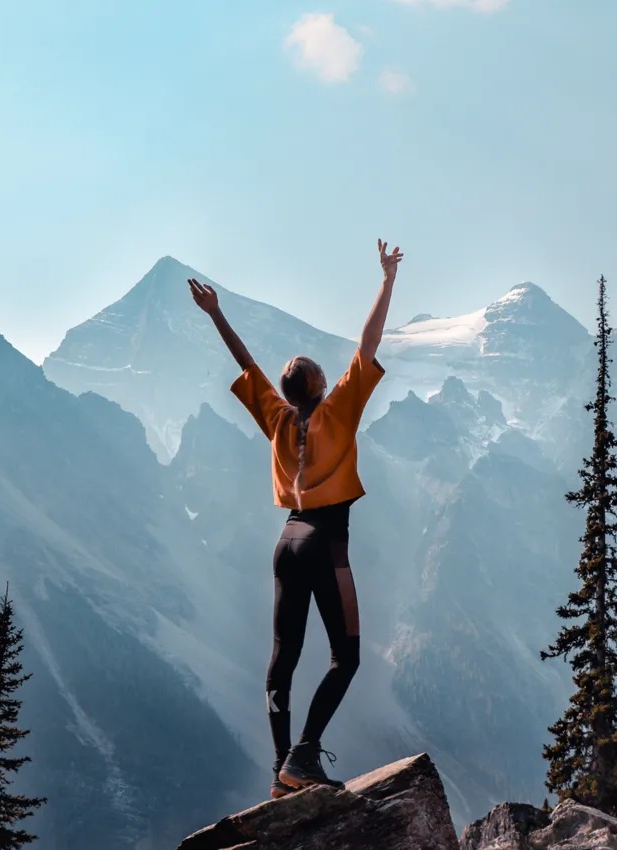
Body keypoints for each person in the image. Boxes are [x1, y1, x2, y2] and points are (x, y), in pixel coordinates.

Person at [188, 239, 403, 799]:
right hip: (327, 543)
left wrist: (217, 314)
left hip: (286, 541)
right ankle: (305, 754)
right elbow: (371, 341)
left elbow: (246, 363)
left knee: (283, 658)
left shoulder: (277, 420)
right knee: (346, 657)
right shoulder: (338, 411)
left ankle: (280, 772)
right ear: (321, 386)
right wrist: (386, 280)